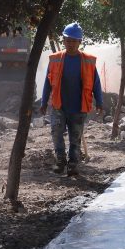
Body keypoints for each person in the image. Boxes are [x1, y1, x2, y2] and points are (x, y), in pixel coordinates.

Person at [39, 22, 103, 176]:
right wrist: (43, 102)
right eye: (68, 40)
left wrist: (100, 102)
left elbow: (96, 83)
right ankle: (60, 161)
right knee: (56, 133)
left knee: (75, 139)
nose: (71, 44)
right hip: (59, 106)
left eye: (74, 41)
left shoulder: (88, 61)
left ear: (80, 42)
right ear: (64, 41)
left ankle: (73, 165)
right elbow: (48, 82)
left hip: (78, 107)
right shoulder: (55, 60)